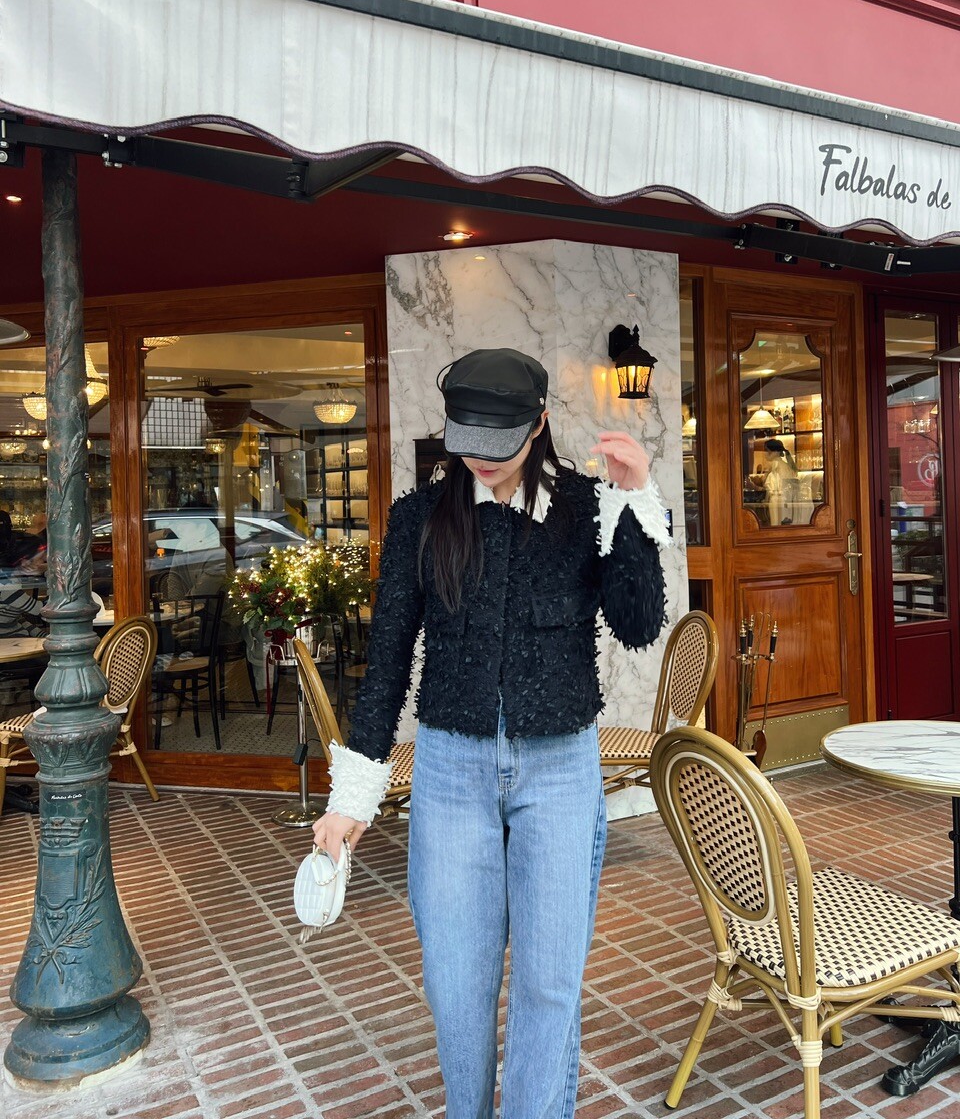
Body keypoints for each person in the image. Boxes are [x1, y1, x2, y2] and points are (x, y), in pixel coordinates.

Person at [313, 348, 668, 1118]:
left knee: (548, 983)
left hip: (560, 768)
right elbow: (387, 660)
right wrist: (353, 796)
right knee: (456, 983)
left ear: (538, 425)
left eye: (499, 442)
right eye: (467, 439)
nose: (481, 458)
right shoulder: (420, 518)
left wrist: (635, 500)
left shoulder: (585, 508)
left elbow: (639, 624)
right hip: (451, 770)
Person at [755, 437, 800, 526]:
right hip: (786, 500)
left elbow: (767, 485)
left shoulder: (775, 465)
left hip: (776, 500)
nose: (765, 454)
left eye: (767, 451)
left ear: (775, 452)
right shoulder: (785, 465)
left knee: (776, 525)